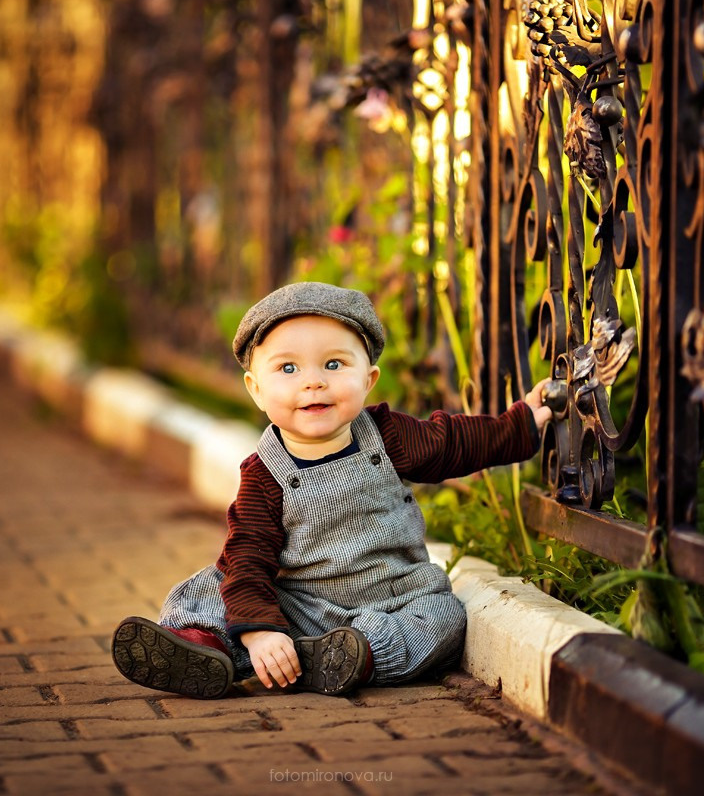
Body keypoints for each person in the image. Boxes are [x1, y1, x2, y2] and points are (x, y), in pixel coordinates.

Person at [112, 281, 552, 699]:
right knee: (220, 581)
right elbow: (249, 555)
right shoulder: (265, 473)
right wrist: (261, 627)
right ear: (256, 390)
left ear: (369, 379)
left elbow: (454, 443)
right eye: (288, 368)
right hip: (299, 604)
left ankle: (356, 658)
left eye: (334, 364)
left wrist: (522, 423)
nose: (313, 381)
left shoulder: (387, 435)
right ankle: (205, 643)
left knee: (443, 619)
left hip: (395, 599)